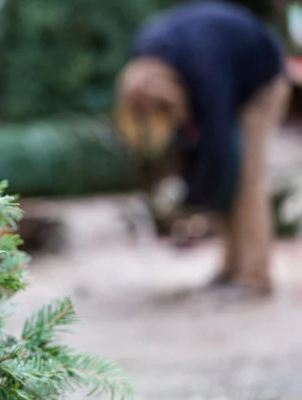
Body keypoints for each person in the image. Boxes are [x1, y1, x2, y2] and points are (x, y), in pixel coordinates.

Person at [115, 0, 291, 295]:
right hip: (228, 76)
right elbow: (187, 136)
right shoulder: (146, 54)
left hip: (264, 81)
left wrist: (192, 198)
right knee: (225, 182)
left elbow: (216, 143)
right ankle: (230, 267)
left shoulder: (203, 65)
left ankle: (255, 277)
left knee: (245, 178)